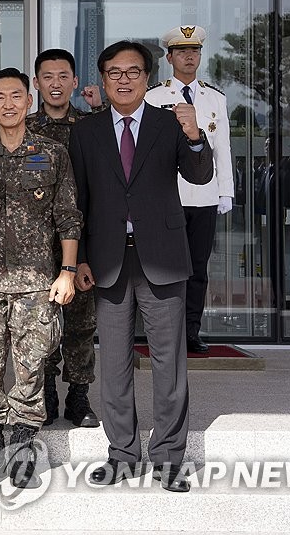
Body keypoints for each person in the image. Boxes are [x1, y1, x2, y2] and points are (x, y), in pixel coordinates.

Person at [69, 40, 213, 494]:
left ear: (147, 78)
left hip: (163, 257)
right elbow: (79, 201)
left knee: (169, 364)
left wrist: (194, 135)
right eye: (115, 72)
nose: (125, 79)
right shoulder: (85, 131)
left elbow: (199, 175)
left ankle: (169, 458)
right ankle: (122, 455)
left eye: (133, 71)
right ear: (103, 79)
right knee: (113, 365)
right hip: (108, 261)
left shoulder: (168, 123)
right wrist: (81, 260)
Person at [0, 68, 81, 489]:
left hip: (36, 280)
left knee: (31, 367)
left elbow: (68, 216)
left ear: (28, 102)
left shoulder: (52, 154)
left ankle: (25, 445)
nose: (8, 104)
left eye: (16, 96)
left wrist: (67, 271)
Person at [145, 26, 235, 354]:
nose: (189, 56)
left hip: (204, 196)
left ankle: (190, 331)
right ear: (169, 57)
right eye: (182, 51)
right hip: (167, 197)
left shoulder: (216, 99)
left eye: (194, 51)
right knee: (165, 268)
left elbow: (222, 148)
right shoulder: (153, 98)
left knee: (198, 268)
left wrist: (226, 191)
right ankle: (164, 333)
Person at [26, 48, 99, 428]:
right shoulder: (24, 130)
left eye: (63, 76)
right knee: (40, 322)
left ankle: (79, 398)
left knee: (81, 323)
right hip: (35, 245)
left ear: (74, 81)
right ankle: (47, 394)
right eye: (47, 77)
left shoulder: (91, 127)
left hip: (82, 242)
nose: (55, 84)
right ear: (36, 83)